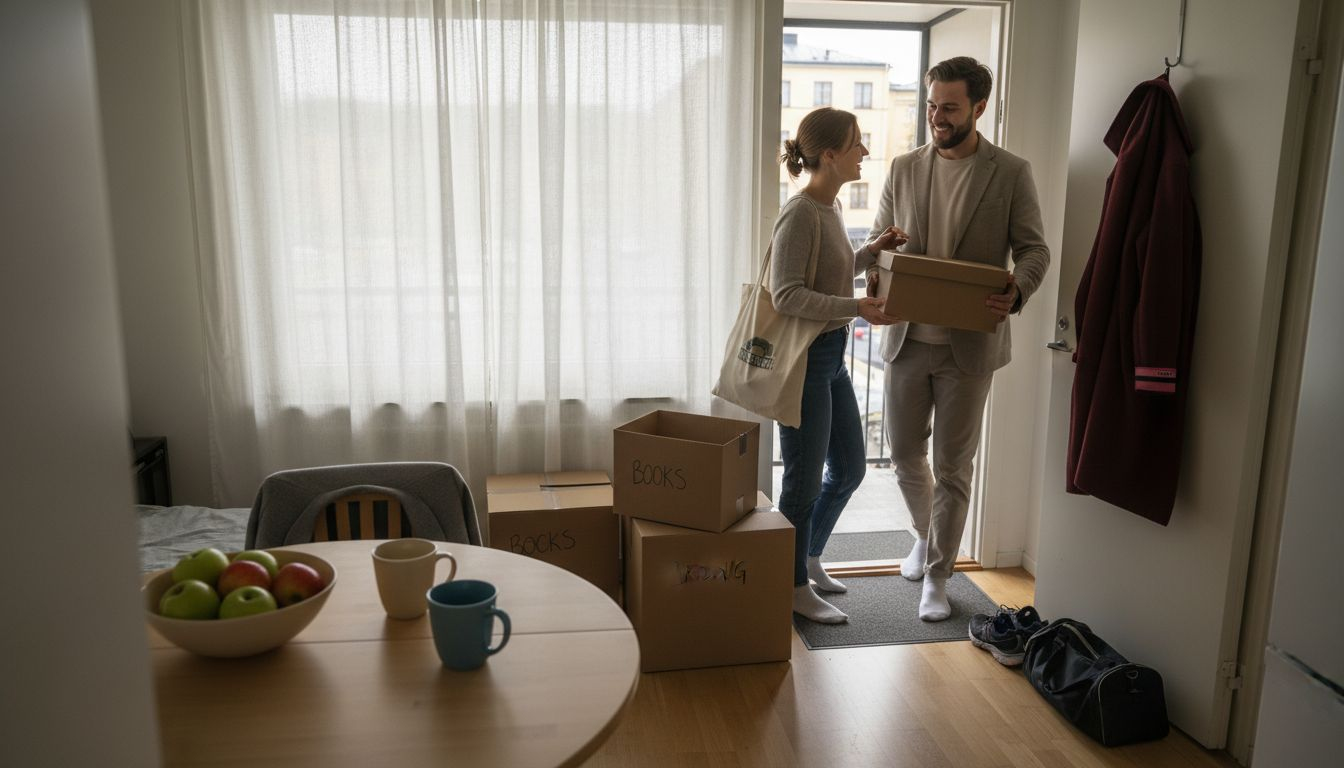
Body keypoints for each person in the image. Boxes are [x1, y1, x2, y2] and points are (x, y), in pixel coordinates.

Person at [864, 57, 1050, 622]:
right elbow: (877, 241)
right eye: (931, 105)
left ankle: (939, 577)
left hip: (970, 344)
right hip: (906, 338)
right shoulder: (902, 167)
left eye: (948, 107)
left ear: (978, 107)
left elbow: (1035, 250)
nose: (936, 117)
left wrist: (1018, 289)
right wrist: (879, 256)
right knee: (902, 455)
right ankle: (926, 537)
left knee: (953, 465)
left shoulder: (1010, 172)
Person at [773, 107, 905, 624]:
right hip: (805, 362)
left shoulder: (827, 209)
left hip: (831, 359)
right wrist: (858, 307)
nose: (864, 153)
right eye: (856, 144)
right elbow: (786, 295)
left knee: (849, 469)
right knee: (802, 483)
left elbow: (829, 272)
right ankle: (790, 585)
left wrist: (870, 251)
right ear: (829, 155)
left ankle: (807, 559)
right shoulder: (801, 211)